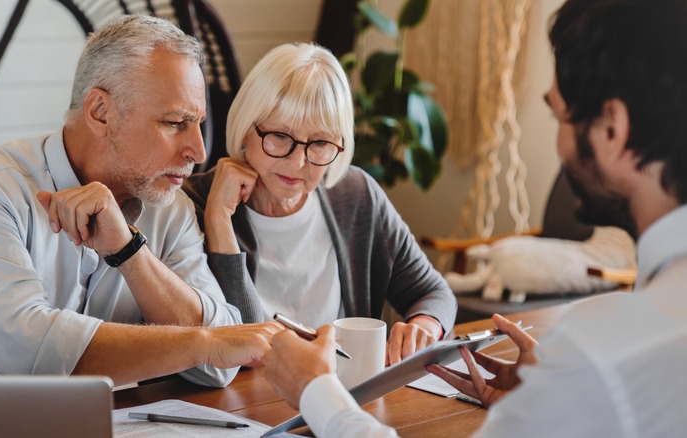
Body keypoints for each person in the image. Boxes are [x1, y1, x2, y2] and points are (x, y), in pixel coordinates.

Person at [262, 0, 687, 435]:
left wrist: (316, 392)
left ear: (611, 129)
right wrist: (545, 403)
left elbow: (431, 290)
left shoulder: (603, 351)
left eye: (557, 116)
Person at [0, 15, 282, 387]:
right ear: (100, 112)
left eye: (197, 123)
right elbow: (32, 353)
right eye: (174, 122)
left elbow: (221, 366)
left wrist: (130, 252)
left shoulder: (172, 210)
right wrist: (203, 343)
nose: (198, 151)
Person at [182, 43, 457, 365]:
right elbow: (235, 343)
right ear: (245, 128)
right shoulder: (194, 203)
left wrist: (425, 325)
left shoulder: (354, 194)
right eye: (280, 136)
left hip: (341, 394)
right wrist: (218, 222)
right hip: (242, 402)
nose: (298, 162)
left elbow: (433, 293)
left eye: (321, 143)